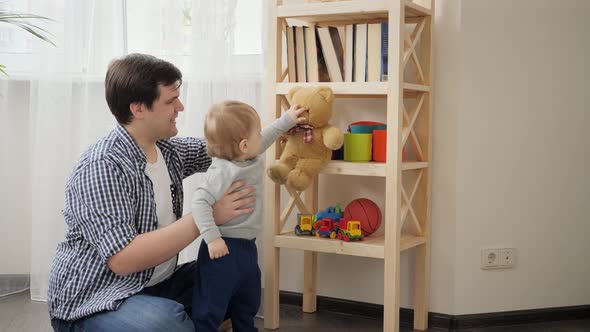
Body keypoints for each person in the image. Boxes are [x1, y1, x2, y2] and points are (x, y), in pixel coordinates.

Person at [47, 53, 255, 332]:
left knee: (239, 281)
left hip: (157, 283)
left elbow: (232, 146)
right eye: (170, 101)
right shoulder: (101, 167)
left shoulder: (168, 150)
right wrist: (209, 215)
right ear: (138, 109)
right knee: (167, 325)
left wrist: (285, 128)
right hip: (97, 298)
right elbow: (123, 260)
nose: (180, 107)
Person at [190, 100, 306, 331]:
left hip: (246, 247)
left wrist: (288, 120)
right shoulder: (222, 171)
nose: (260, 137)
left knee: (248, 299)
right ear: (244, 144)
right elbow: (199, 201)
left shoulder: (247, 156)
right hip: (222, 250)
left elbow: (266, 138)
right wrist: (212, 238)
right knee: (210, 306)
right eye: (256, 132)